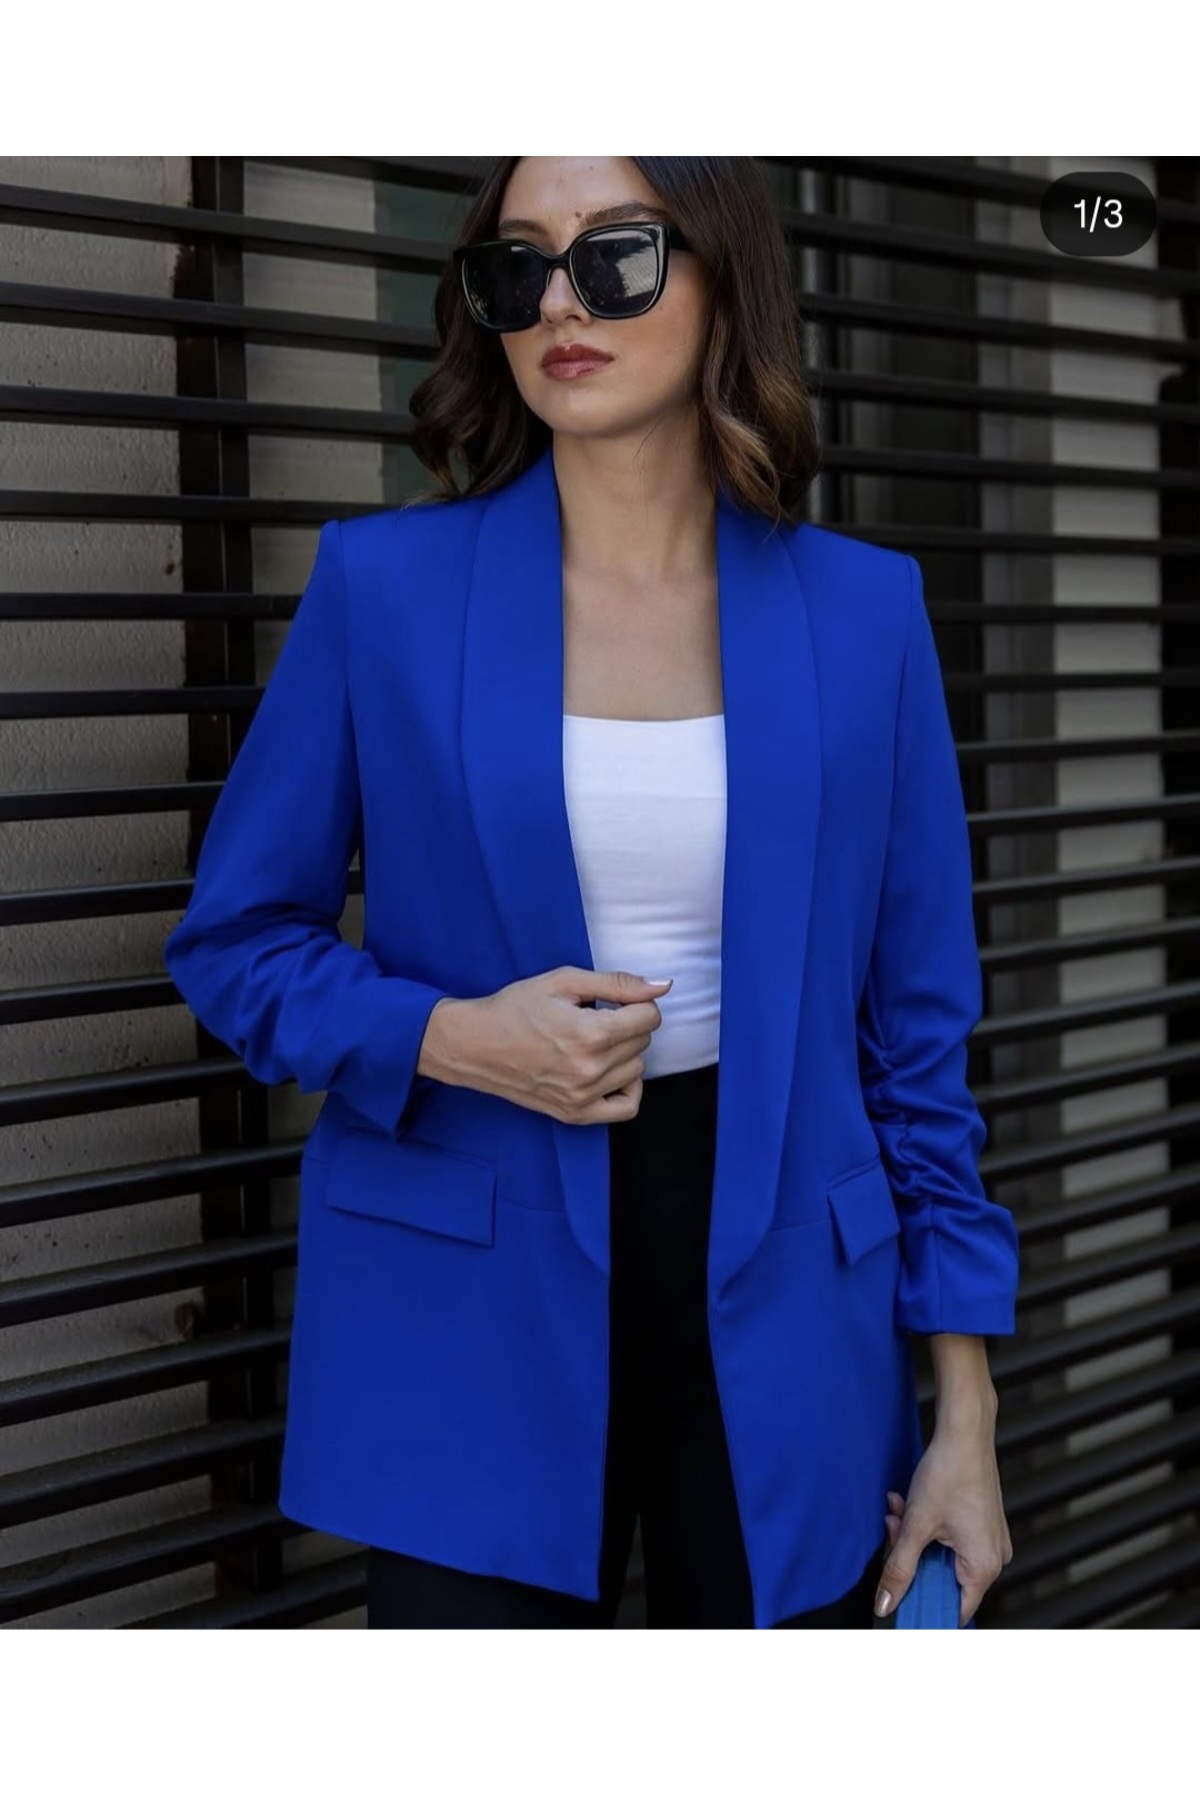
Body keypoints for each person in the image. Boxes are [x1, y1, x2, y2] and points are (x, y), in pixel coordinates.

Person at [162, 156, 1020, 1630]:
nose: (560, 301)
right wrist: (455, 1038)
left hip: (785, 1299)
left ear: (723, 279)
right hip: (466, 1295)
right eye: (518, 266)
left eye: (616, 256)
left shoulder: (865, 615)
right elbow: (237, 942)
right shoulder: (385, 592)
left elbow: (915, 1041)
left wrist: (967, 1413)